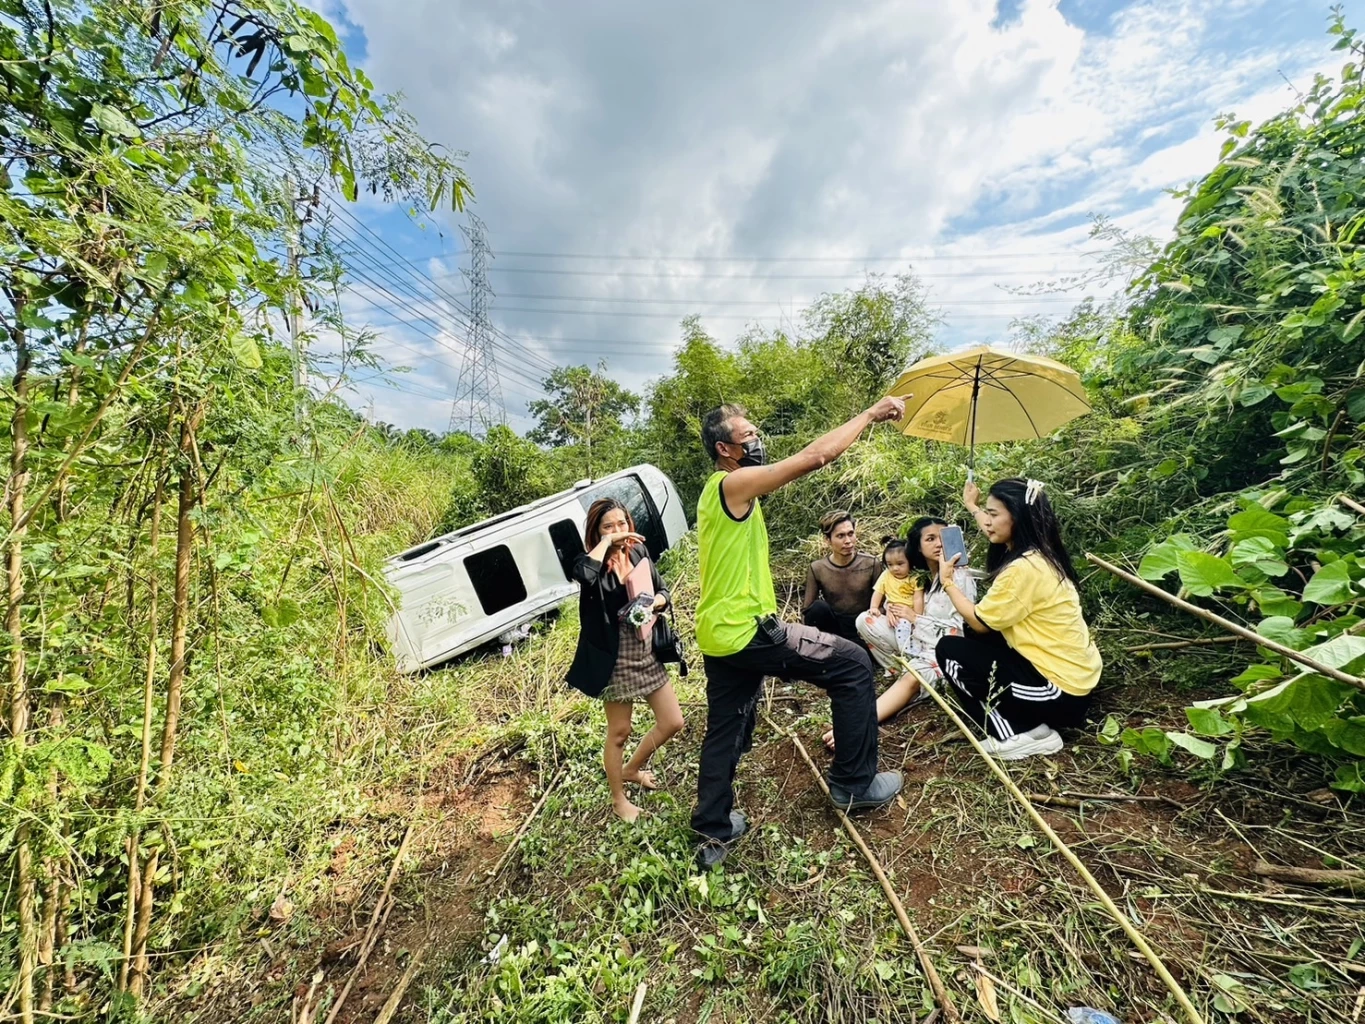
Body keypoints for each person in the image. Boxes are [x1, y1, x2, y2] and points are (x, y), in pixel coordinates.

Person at [690, 399, 908, 868]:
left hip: (718, 635)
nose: (757, 442)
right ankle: (854, 784)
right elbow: (814, 457)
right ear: (725, 449)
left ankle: (713, 831)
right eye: (748, 436)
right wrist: (868, 415)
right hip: (748, 631)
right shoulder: (733, 483)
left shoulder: (714, 493)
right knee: (851, 663)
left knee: (725, 729)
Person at [935, 479, 1102, 760]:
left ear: (1018, 516)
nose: (987, 522)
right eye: (986, 513)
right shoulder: (1041, 550)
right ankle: (1028, 724)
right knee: (976, 634)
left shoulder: (1022, 570)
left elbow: (978, 621)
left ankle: (1017, 733)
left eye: (994, 514)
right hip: (1074, 681)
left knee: (949, 651)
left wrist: (948, 582)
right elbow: (994, 527)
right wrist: (972, 506)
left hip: (1060, 694)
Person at [566, 498, 685, 822]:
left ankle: (632, 768)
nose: (618, 531)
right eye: (608, 526)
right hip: (613, 658)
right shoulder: (590, 562)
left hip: (645, 649)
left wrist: (655, 605)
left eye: (622, 524)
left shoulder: (638, 552)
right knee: (619, 731)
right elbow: (582, 574)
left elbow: (663, 591)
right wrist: (606, 544)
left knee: (673, 722)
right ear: (596, 532)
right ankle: (619, 800)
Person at [835, 521, 975, 749]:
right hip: (915, 641)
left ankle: (860, 722)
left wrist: (914, 618)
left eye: (943, 536)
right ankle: (901, 673)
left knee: (914, 676)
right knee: (866, 620)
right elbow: (900, 603)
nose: (939, 543)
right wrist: (891, 609)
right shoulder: (921, 575)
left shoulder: (958, 575)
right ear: (918, 548)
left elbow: (959, 631)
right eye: (930, 538)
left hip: (944, 651)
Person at [801, 511, 878, 645]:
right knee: (818, 608)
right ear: (827, 540)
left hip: (864, 628)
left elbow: (884, 604)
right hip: (834, 631)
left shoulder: (871, 564)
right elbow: (808, 611)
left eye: (850, 534)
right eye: (840, 536)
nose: (848, 541)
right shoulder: (818, 569)